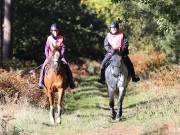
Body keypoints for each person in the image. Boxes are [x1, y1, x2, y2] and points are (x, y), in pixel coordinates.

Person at [38, 23, 75, 89]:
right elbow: (46, 49)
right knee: (44, 66)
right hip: (50, 56)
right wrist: (47, 57)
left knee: (66, 65)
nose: (55, 32)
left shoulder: (61, 38)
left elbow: (63, 48)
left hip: (60, 56)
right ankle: (40, 82)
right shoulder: (49, 38)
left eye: (56, 31)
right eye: (54, 31)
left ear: (58, 31)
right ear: (51, 31)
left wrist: (62, 55)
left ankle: (71, 82)